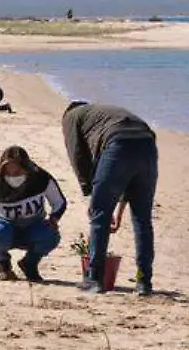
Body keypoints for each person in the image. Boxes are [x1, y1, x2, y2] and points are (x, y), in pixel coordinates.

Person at [61, 101, 158, 296]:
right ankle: (144, 282)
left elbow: (78, 157)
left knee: (100, 217)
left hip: (118, 145)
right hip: (147, 146)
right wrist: (120, 211)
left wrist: (90, 193)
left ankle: (94, 278)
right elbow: (130, 169)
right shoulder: (102, 113)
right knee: (142, 219)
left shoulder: (71, 117)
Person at [0, 146, 67, 282]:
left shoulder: (41, 179)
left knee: (50, 235)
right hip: (3, 228)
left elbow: (59, 202)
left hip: (33, 227)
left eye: (18, 170)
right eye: (9, 170)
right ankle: (3, 263)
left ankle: (30, 263)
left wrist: (54, 218)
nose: (13, 174)